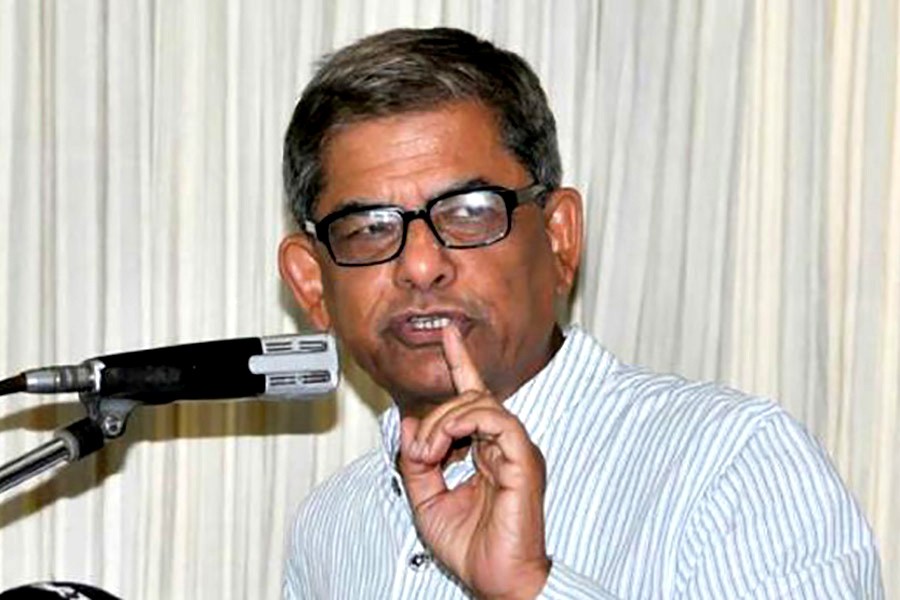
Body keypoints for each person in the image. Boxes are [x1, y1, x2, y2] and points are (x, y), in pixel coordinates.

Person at [278, 27, 883, 599]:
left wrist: (529, 586)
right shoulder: (333, 524)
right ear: (312, 284)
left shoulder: (732, 464)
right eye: (368, 228)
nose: (419, 265)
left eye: (468, 212)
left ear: (559, 238)